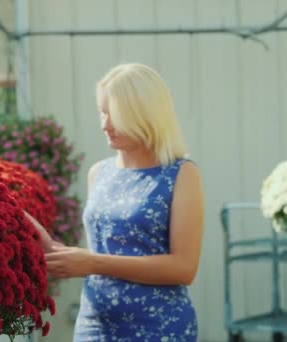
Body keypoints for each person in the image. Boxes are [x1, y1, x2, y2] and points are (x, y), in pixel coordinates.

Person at [25, 63, 204, 341]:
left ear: (144, 115)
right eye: (102, 112)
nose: (104, 125)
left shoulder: (181, 173)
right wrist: (57, 252)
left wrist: (92, 263)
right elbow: (102, 251)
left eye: (114, 115)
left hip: (158, 328)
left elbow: (184, 268)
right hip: (94, 326)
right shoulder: (99, 173)